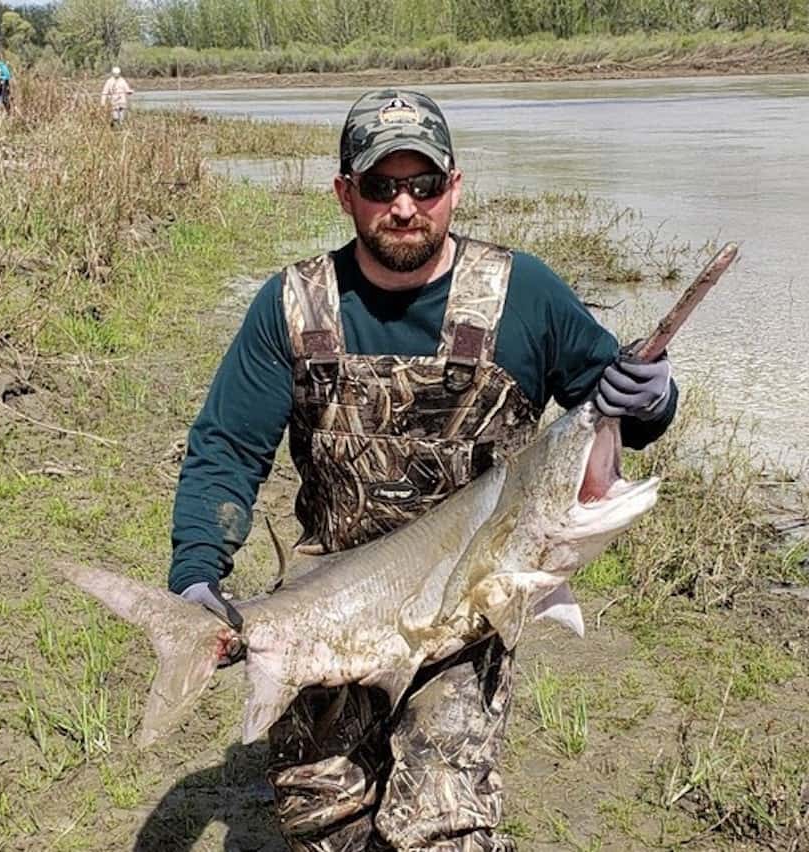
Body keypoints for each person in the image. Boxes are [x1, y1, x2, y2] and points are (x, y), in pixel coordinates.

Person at [170, 89, 678, 851]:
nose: (404, 206)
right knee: (324, 828)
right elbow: (228, 448)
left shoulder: (524, 296)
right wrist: (197, 575)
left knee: (444, 830)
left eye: (424, 184)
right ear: (345, 193)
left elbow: (610, 410)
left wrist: (655, 398)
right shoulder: (293, 305)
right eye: (380, 186)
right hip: (332, 604)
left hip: (461, 620)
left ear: (455, 187)